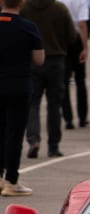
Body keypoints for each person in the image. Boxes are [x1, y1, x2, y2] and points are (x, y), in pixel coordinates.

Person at [22, 0, 74, 158]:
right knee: (54, 105)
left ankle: (33, 140)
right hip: (56, 60)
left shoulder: (25, 9)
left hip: (32, 60)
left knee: (33, 103)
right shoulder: (60, 9)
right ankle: (53, 146)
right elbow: (71, 35)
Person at [1, 0, 43, 196]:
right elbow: (39, 59)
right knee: (14, 134)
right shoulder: (28, 27)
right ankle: (11, 180)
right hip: (19, 85)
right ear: (22, 3)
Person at [59, 0, 89, 131]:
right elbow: (82, 24)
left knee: (64, 82)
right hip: (77, 40)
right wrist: (85, 47)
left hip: (62, 40)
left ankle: (68, 119)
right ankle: (82, 118)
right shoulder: (80, 1)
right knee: (80, 80)